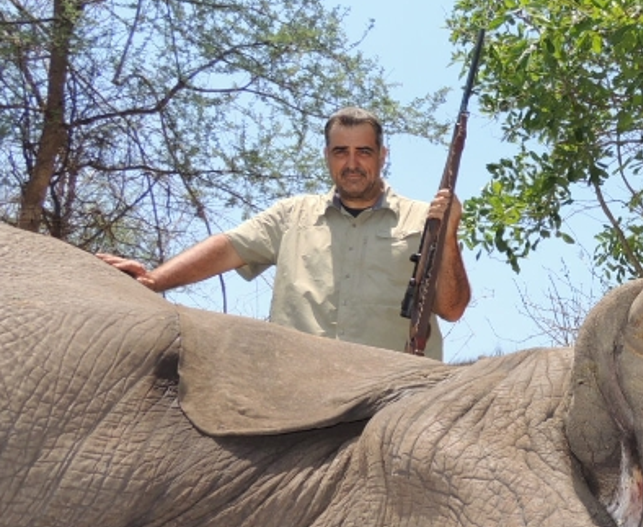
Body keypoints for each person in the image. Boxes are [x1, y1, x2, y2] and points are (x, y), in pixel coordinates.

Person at [98, 107, 470, 361]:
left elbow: (452, 308)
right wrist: (152, 280)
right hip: (294, 390)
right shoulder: (292, 214)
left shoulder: (426, 219)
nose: (352, 163)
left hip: (389, 399)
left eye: (364, 152)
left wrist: (449, 233)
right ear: (327, 155)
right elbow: (227, 248)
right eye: (341, 151)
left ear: (382, 155)